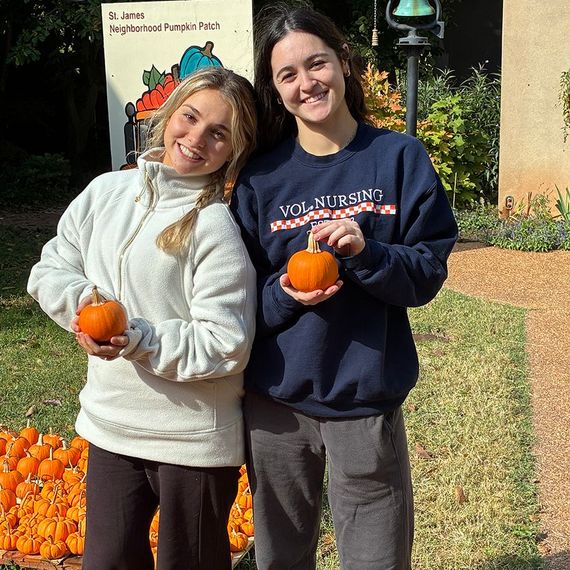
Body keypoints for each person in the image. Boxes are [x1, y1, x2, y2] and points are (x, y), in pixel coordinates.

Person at [230, 4, 458, 569]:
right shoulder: (261, 177)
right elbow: (233, 301)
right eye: (288, 75)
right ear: (276, 89)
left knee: (376, 560)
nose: (307, 83)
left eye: (317, 64)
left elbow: (427, 272)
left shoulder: (398, 158)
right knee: (280, 559)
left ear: (344, 62)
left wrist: (367, 252)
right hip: (276, 406)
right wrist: (285, 292)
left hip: (364, 401)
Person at [27, 67, 257, 570]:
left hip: (192, 441)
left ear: (233, 150)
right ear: (169, 113)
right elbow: (50, 267)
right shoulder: (105, 193)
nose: (196, 138)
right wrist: (87, 307)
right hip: (112, 427)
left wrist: (134, 336)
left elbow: (226, 341)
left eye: (218, 133)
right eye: (190, 117)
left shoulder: (214, 226)